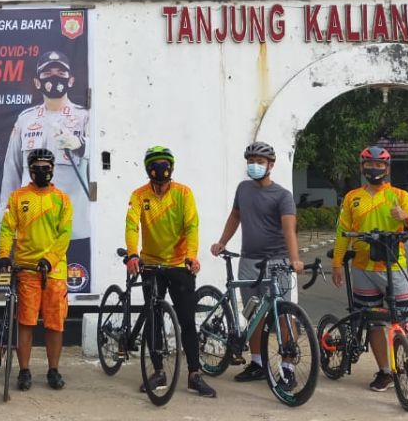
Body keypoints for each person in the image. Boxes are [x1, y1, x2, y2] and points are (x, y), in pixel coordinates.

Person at [331, 145, 408, 400]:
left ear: (387, 168)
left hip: (393, 267)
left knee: (407, 323)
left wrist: (405, 217)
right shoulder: (352, 197)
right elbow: (341, 232)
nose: (374, 169)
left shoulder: (399, 195)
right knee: (375, 323)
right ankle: (385, 371)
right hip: (361, 268)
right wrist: (336, 263)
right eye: (370, 165)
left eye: (380, 165)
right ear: (362, 167)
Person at [124, 146, 217, 399]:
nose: (161, 169)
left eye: (165, 164)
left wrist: (192, 256)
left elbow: (192, 226)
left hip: (179, 264)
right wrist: (133, 255)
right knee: (153, 318)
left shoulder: (183, 194)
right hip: (150, 264)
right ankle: (158, 372)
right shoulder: (138, 196)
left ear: (172, 167)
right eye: (156, 164)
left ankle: (194, 374)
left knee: (187, 320)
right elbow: (132, 225)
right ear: (148, 169)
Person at [209, 141, 304, 384]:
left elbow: (289, 230)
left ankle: (287, 368)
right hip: (249, 260)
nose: (254, 166)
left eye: (259, 162)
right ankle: (258, 363)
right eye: (250, 162)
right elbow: (236, 216)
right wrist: (222, 241)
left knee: (283, 314)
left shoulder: (282, 195)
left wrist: (294, 259)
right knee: (254, 314)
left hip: (277, 261)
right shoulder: (243, 189)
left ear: (270, 165)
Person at [0, 148, 72, 391]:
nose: (42, 171)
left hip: (54, 271)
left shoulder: (62, 199)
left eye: (46, 167)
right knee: (26, 323)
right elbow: (8, 229)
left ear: (52, 169)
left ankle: (53, 370)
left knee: (54, 324)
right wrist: (3, 255)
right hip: (26, 270)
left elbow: (65, 234)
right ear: (30, 170)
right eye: (37, 167)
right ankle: (24, 371)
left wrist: (50, 259)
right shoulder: (18, 197)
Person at [0, 51, 90, 241]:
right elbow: (11, 171)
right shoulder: (25, 119)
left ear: (70, 80)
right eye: (47, 74)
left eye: (60, 73)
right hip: (31, 226)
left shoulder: (85, 117)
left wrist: (81, 145)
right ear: (37, 82)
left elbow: (101, 161)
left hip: (73, 229)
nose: (54, 78)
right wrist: (4, 221)